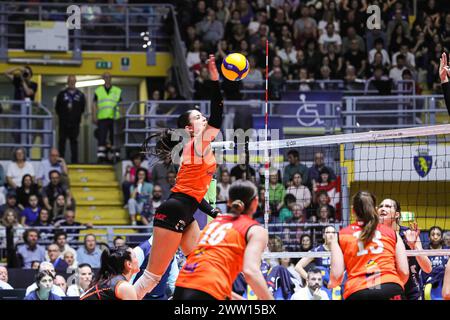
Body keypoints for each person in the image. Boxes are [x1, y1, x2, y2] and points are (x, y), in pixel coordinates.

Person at [133, 56, 224, 299]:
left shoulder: (200, 147)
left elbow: (192, 191)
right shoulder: (196, 144)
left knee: (200, 266)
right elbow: (217, 116)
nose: (202, 118)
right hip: (173, 211)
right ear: (189, 129)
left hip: (187, 210)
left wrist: (213, 212)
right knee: (151, 279)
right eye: (197, 117)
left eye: (201, 116)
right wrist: (215, 80)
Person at [173, 180, 274, 300]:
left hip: (182, 285)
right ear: (255, 202)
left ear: (230, 202)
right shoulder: (255, 230)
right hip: (207, 288)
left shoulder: (214, 224)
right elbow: (250, 271)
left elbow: (205, 279)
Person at [329, 191, 409, 300]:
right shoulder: (392, 233)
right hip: (391, 288)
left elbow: (337, 275)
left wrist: (331, 284)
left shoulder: (341, 235)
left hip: (358, 291)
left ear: (353, 211)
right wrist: (393, 285)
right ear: (375, 209)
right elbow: (404, 272)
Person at [378, 198, 432, 301]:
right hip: (386, 289)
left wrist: (413, 247)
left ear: (397, 214)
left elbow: (427, 268)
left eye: (388, 206)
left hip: (410, 291)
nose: (383, 208)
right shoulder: (375, 236)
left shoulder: (408, 233)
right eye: (381, 206)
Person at [55, 75, 86, 163]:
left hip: (75, 123)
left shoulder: (80, 95)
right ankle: (60, 161)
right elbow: (57, 108)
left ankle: (75, 162)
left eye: (73, 81)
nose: (72, 83)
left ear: (75, 82)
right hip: (63, 122)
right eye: (70, 81)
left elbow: (82, 108)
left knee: (74, 143)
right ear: (67, 82)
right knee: (62, 142)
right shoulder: (61, 94)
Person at [92, 72, 122, 163]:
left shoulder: (117, 90)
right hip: (102, 118)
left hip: (115, 118)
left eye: (109, 77)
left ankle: (115, 156)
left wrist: (122, 117)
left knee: (115, 138)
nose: (107, 78)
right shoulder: (98, 91)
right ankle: (101, 157)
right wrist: (94, 116)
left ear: (111, 78)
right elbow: (94, 104)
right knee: (102, 138)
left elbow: (121, 105)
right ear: (103, 78)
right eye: (105, 77)